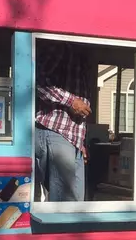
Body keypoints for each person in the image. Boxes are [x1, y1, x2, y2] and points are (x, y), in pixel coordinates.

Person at [34, 41, 93, 201]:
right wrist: (71, 101)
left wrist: (80, 143)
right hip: (54, 131)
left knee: (76, 202)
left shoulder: (82, 57)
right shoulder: (60, 45)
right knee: (64, 200)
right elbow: (37, 81)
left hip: (74, 140)